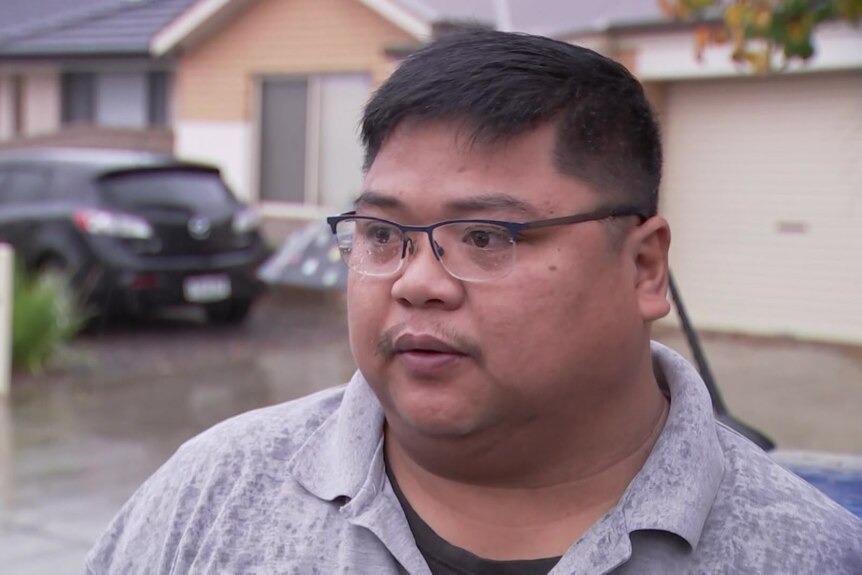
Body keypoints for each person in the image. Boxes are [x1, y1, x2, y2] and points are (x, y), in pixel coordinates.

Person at [86, 30, 862, 574]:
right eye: (383, 232)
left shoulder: (807, 552)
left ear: (645, 266)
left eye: (486, 236)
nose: (416, 280)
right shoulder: (213, 494)